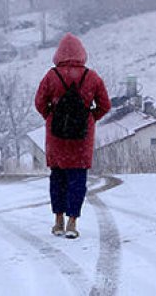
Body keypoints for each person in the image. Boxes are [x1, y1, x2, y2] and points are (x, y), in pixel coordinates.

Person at [35, 33, 111, 239]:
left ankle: (58, 221)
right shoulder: (92, 77)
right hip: (81, 139)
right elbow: (105, 105)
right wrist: (90, 117)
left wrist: (51, 116)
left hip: (56, 137)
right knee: (77, 180)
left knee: (57, 178)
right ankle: (72, 223)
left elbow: (39, 103)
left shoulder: (51, 76)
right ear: (82, 54)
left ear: (58, 54)